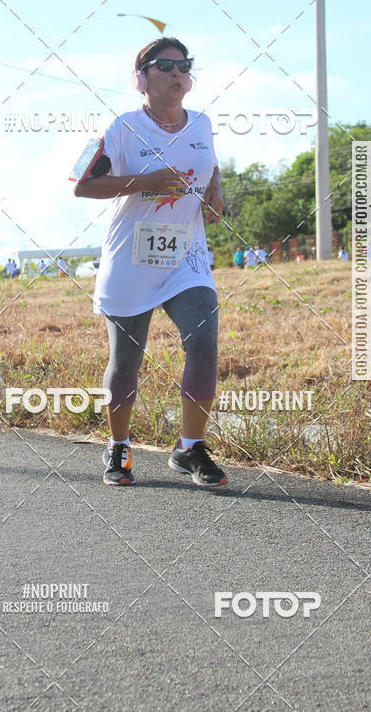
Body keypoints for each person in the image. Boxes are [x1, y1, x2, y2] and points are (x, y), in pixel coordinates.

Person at [74, 36, 227, 488]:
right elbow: (82, 185)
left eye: (183, 65)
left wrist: (216, 193)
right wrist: (147, 180)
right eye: (164, 65)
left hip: (186, 257)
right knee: (126, 363)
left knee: (204, 343)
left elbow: (211, 166)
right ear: (141, 79)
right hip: (131, 259)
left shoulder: (201, 123)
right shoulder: (120, 129)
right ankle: (118, 446)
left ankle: (190, 448)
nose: (176, 72)